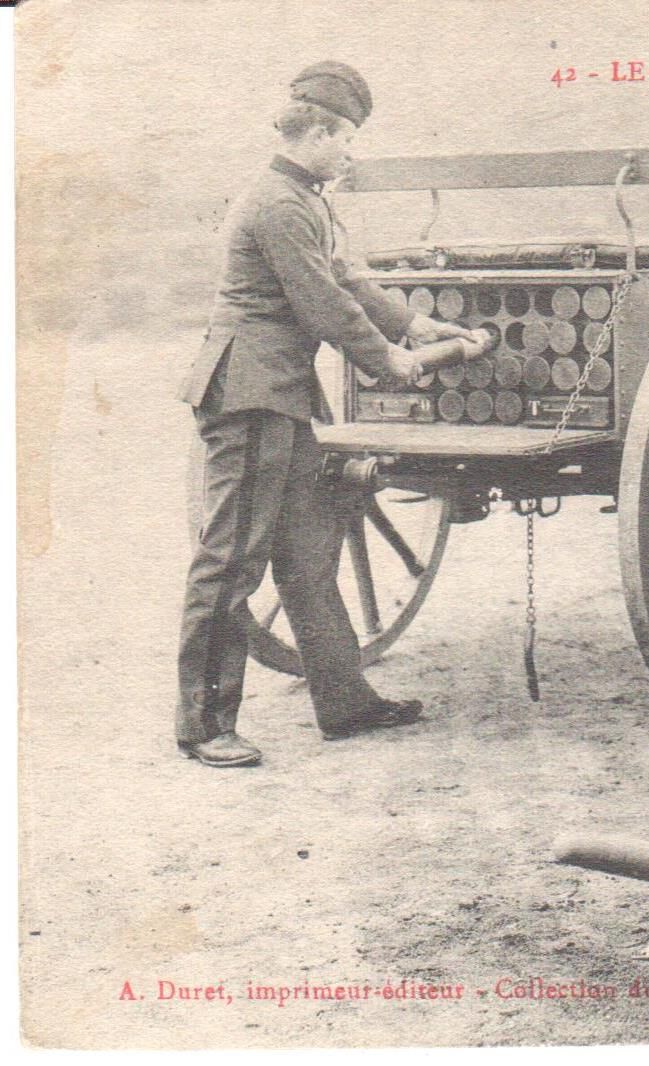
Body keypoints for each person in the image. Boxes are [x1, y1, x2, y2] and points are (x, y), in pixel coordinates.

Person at [175, 62, 484, 767]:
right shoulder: (278, 204)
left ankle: (345, 703)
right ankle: (202, 727)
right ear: (314, 132)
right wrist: (390, 362)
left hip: (279, 397)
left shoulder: (301, 197)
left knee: (307, 558)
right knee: (228, 563)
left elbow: (347, 279)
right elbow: (323, 302)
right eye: (345, 138)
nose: (351, 153)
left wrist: (416, 325)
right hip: (250, 398)